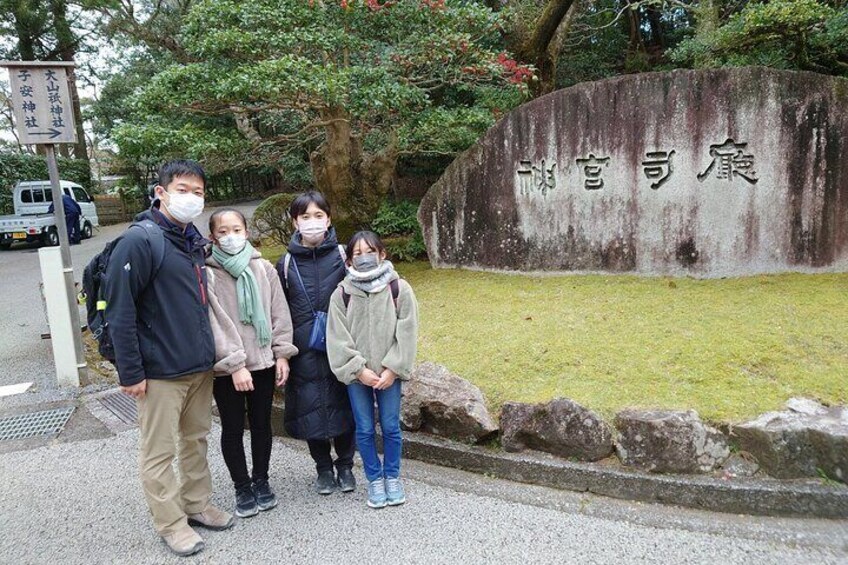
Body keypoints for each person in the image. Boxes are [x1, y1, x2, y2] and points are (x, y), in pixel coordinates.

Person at [104, 160, 233, 557]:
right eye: (182, 189)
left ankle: (197, 504)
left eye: (198, 192)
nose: (191, 198)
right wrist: (130, 371)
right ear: (160, 192)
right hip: (159, 372)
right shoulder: (140, 241)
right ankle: (171, 523)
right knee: (159, 451)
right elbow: (119, 311)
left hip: (197, 364)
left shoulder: (190, 239)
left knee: (196, 439)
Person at [205, 208, 298, 519]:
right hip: (227, 368)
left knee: (261, 425)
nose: (230, 237)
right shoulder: (208, 273)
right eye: (223, 232)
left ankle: (261, 480)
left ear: (246, 232)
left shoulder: (262, 268)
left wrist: (282, 353)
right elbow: (214, 322)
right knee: (232, 427)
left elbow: (279, 312)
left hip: (263, 361)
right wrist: (234, 364)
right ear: (212, 237)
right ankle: (241, 485)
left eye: (236, 230)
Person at [327, 231, 419, 509]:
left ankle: (392, 476)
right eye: (357, 253)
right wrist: (359, 369)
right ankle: (374, 479)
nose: (364, 258)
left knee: (391, 427)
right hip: (358, 376)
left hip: (389, 373)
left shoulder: (398, 288)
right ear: (349, 260)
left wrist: (392, 368)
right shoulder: (341, 293)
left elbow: (408, 330)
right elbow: (337, 337)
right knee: (364, 429)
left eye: (370, 252)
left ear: (382, 254)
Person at [275, 191, 356, 495]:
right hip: (303, 348)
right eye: (305, 217)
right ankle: (323, 467)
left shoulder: (343, 256)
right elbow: (277, 310)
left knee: (346, 405)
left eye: (318, 216)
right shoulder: (284, 264)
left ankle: (346, 466)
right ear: (295, 222)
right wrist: (281, 351)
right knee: (310, 408)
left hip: (342, 345)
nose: (312, 222)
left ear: (329, 219)